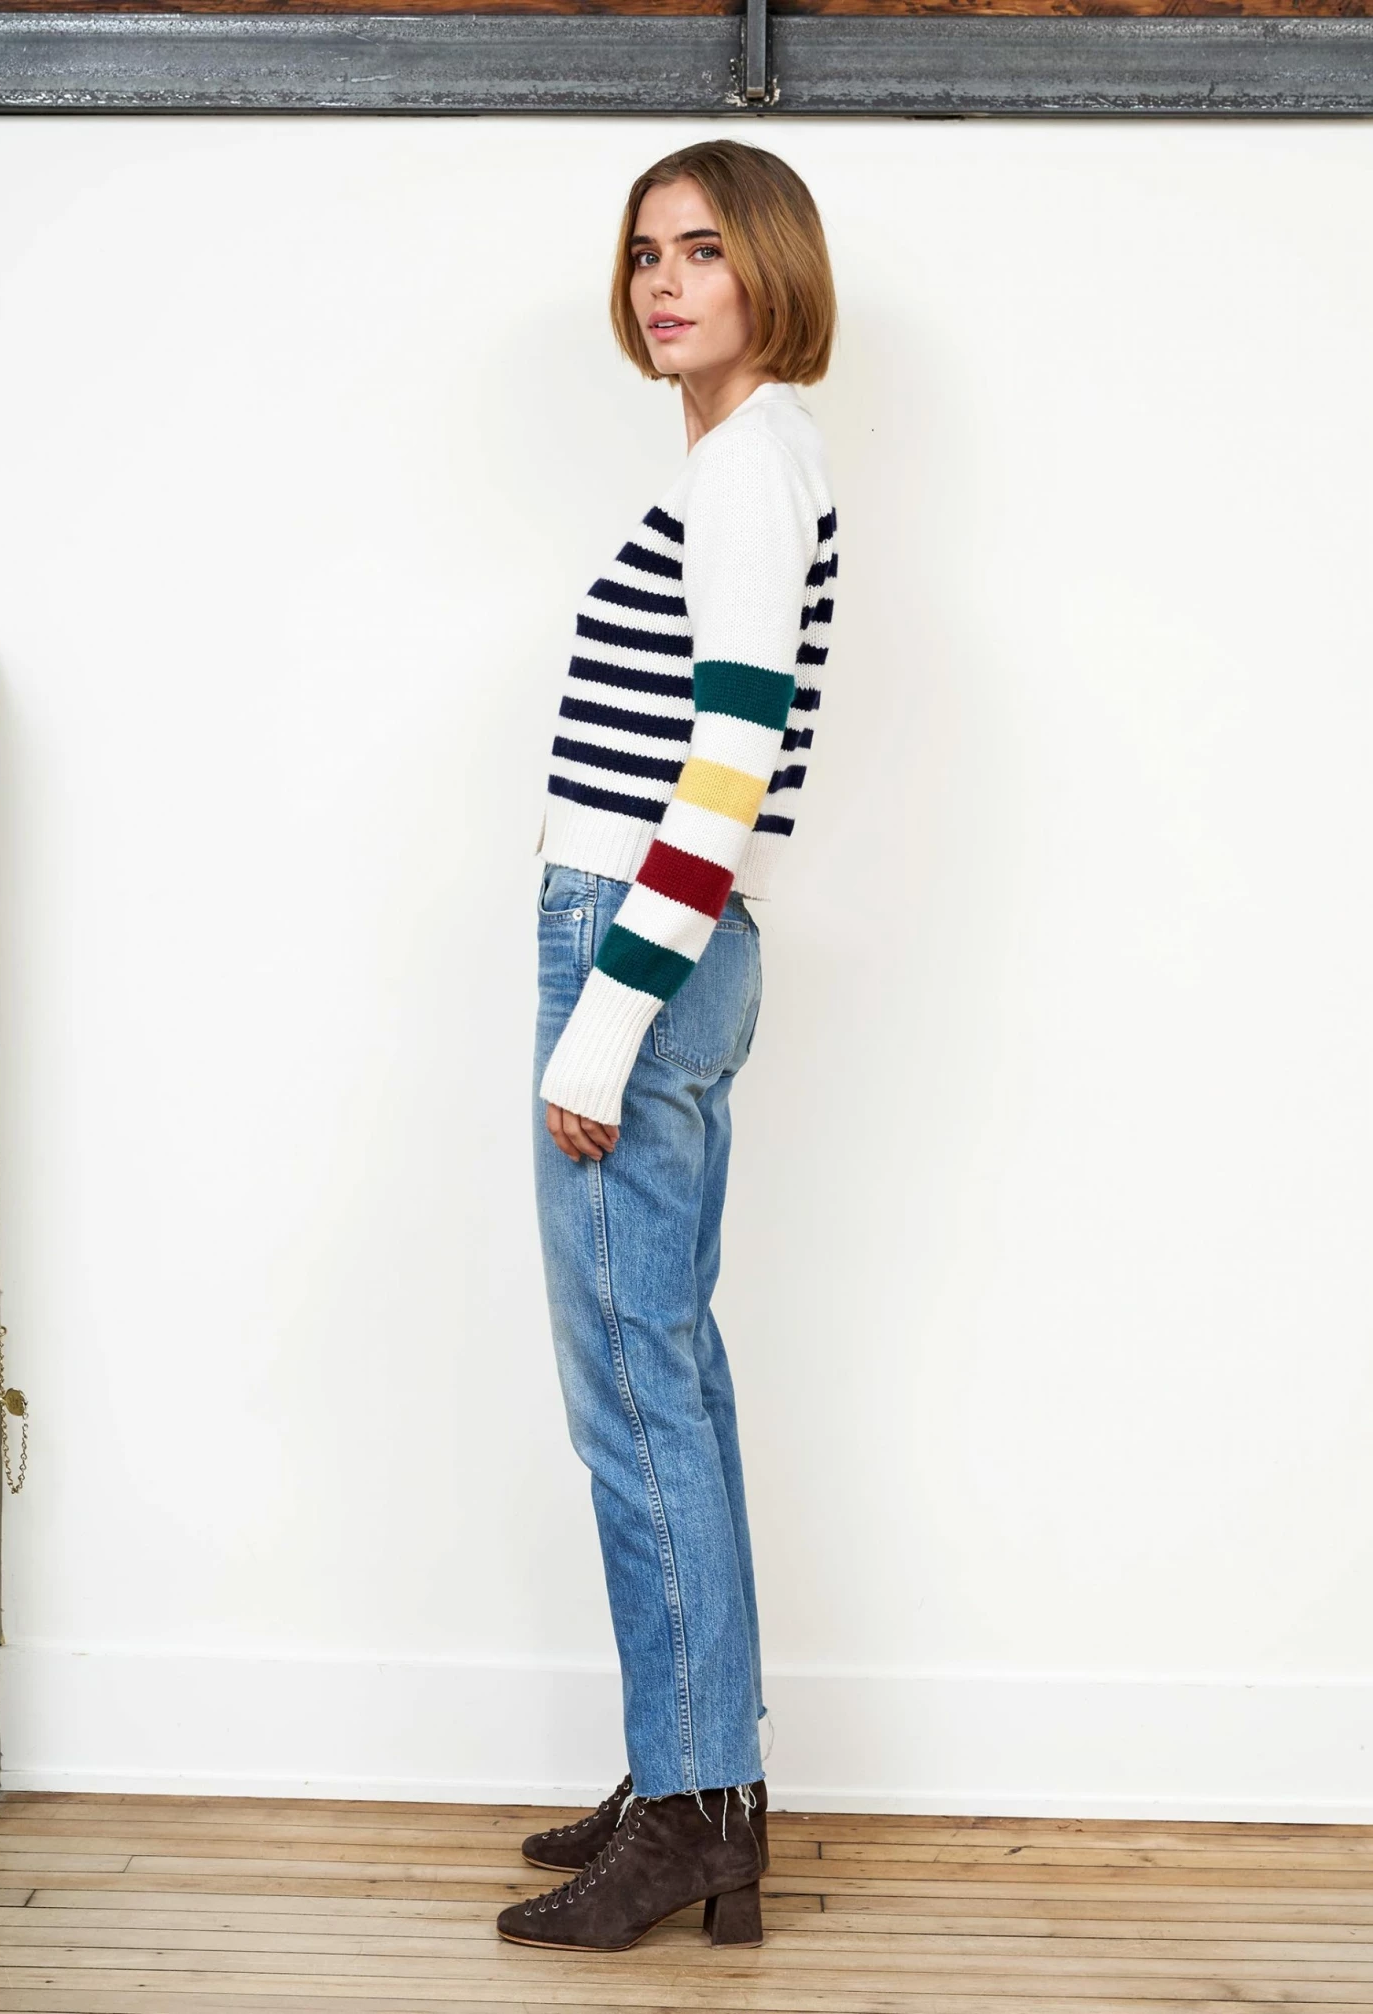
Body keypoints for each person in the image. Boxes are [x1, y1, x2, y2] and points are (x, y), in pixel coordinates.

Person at [497, 138, 838, 1955]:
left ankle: (697, 1804)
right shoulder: (745, 460)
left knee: (633, 1393)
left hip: (641, 943)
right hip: (665, 940)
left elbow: (727, 765)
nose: (664, 284)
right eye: (645, 255)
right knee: (666, 1380)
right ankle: (698, 1776)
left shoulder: (750, 468)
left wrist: (605, 1022)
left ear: (772, 267)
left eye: (702, 250)